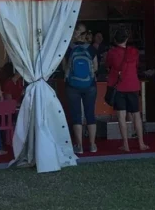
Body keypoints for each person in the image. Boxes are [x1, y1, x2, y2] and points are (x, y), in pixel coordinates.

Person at [105, 28, 148, 153]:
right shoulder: (134, 51)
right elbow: (136, 66)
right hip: (133, 86)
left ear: (114, 40)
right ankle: (141, 143)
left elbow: (108, 65)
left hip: (119, 87)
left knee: (121, 116)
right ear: (127, 39)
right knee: (136, 115)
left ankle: (126, 145)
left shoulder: (111, 53)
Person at [63, 23, 98, 155]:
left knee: (76, 115)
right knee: (90, 114)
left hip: (72, 86)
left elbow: (64, 67)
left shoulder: (68, 49)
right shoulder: (91, 49)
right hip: (90, 85)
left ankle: (79, 146)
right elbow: (95, 68)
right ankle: (93, 145)